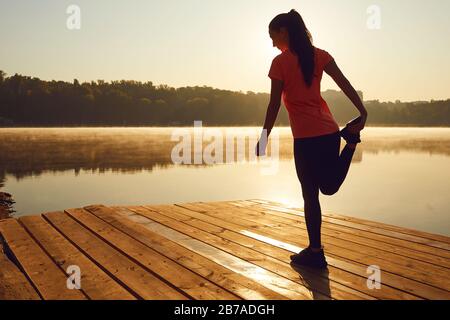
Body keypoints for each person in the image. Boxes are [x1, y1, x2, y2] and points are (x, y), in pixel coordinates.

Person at [256, 9, 368, 269]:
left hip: (310, 138)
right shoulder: (318, 55)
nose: (272, 42)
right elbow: (344, 82)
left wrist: (264, 136)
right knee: (319, 192)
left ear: (284, 31)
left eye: (273, 36)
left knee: (316, 192)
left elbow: (273, 104)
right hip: (325, 133)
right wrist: (361, 110)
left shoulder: (282, 62)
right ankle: (315, 251)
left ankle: (350, 143)